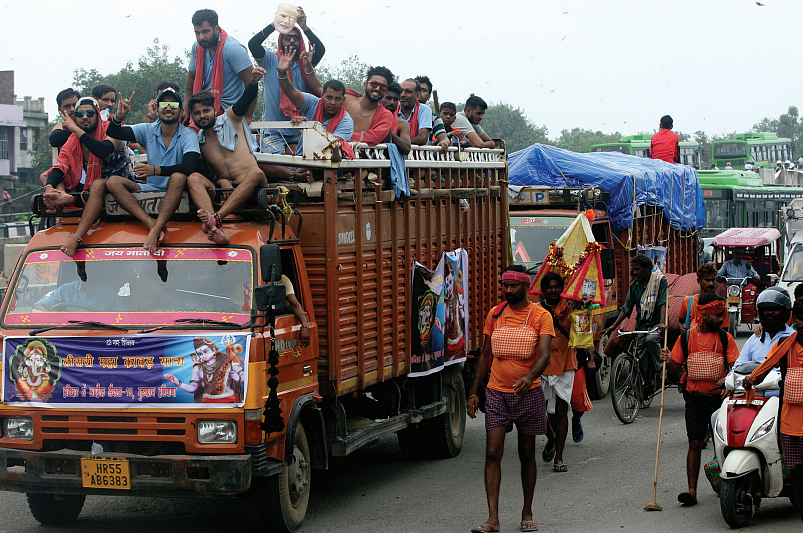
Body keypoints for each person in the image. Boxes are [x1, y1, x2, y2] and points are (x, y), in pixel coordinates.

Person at [467, 265, 553, 533]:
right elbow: (485, 355)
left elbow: (545, 355)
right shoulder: (495, 314)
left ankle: (527, 511)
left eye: (513, 286)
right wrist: (473, 391)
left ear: (526, 287)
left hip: (528, 394)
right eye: (505, 286)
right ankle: (492, 518)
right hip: (496, 393)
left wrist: (529, 378)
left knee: (526, 453)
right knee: (493, 453)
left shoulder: (541, 315)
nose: (508, 290)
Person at [98, 89, 200, 254]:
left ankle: (155, 229)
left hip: (178, 190)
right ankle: (151, 224)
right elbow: (113, 132)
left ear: (181, 111)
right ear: (157, 109)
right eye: (163, 105)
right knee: (113, 182)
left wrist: (154, 170)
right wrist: (119, 117)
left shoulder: (188, 135)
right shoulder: (148, 129)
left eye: (173, 105)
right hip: (151, 188)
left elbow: (189, 166)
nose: (168, 108)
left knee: (178, 177)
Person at [661, 292, 738, 506]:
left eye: (722, 314)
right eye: (717, 315)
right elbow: (675, 368)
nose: (721, 319)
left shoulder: (726, 339)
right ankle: (692, 491)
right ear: (704, 315)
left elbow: (736, 369)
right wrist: (668, 360)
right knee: (694, 443)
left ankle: (727, 486)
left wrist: (729, 387)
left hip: (719, 402)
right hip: (694, 399)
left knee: (723, 445)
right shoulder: (686, 338)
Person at [187, 70, 269, 246]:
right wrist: (221, 180)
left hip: (255, 187)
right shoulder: (198, 141)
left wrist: (253, 83)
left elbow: (245, 101)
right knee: (193, 178)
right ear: (192, 116)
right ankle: (215, 230)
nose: (202, 116)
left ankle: (215, 219)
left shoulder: (230, 119)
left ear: (215, 109)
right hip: (227, 193)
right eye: (197, 113)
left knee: (255, 172)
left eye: (206, 110)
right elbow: (207, 174)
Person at [743, 296, 803, 523]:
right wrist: (749, 380)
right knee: (798, 479)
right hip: (790, 425)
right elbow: (763, 369)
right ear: (794, 319)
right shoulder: (784, 346)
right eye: (801, 319)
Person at [262, 51, 354, 181]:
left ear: (344, 100)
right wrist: (282, 73)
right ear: (322, 96)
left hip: (321, 164)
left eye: (337, 99)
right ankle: (295, 175)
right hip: (300, 161)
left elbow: (328, 148)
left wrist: (309, 127)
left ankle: (292, 174)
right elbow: (290, 91)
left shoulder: (346, 121)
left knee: (329, 157)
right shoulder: (313, 103)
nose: (333, 102)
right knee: (259, 162)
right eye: (329, 97)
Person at [249, 5, 325, 155]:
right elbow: (253, 44)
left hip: (300, 126)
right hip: (273, 129)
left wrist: (304, 27)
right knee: (274, 164)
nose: (291, 40)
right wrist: (275, 25)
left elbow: (320, 50)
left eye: (295, 38)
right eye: (287, 37)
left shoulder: (305, 62)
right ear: (280, 39)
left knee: (303, 164)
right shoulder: (271, 59)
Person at [41, 96, 134, 211]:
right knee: (46, 175)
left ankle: (72, 201)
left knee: (98, 185)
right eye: (80, 114)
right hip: (93, 188)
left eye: (90, 113)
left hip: (119, 186)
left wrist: (76, 129)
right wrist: (49, 187)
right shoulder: (74, 139)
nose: (85, 117)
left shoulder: (110, 129)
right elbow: (61, 165)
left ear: (97, 115)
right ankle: (63, 196)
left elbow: (102, 150)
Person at [603, 254, 667, 392]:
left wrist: (662, 322)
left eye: (638, 269)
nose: (635, 272)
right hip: (641, 326)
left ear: (647, 269)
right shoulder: (635, 285)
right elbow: (627, 307)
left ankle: (661, 371)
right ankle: (643, 389)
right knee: (639, 357)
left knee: (651, 339)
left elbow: (662, 302)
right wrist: (613, 326)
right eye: (634, 269)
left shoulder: (660, 281)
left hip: (656, 323)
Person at [184, 9, 254, 124]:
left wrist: (247, 116)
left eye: (205, 31)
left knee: (192, 133)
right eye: (197, 33)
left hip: (229, 111)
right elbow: (191, 79)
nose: (201, 37)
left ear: (216, 28)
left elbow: (252, 83)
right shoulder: (197, 47)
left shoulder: (233, 49)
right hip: (202, 109)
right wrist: (186, 109)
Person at [537, 272, 577, 472]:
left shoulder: (572, 307)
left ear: (563, 288)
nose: (553, 290)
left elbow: (583, 333)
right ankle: (550, 438)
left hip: (565, 363)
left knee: (561, 411)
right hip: (541, 364)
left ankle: (559, 457)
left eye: (557, 287)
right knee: (538, 409)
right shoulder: (535, 310)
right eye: (549, 287)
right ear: (543, 290)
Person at [164, 337, 244, 403]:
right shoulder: (198, 368)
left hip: (228, 402)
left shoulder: (228, 362)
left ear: (213, 349)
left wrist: (238, 378)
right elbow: (193, 388)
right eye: (200, 354)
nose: (204, 356)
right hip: (207, 404)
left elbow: (246, 377)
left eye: (206, 351)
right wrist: (177, 383)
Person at [343, 66, 395, 145]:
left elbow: (374, 138)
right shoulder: (346, 98)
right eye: (374, 84)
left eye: (382, 87)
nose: (377, 88)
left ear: (386, 92)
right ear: (365, 85)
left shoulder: (385, 115)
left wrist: (338, 136)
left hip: (360, 156)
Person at [679, 262, 730, 332]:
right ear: (699, 281)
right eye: (707, 280)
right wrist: (682, 328)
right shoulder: (688, 301)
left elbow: (724, 330)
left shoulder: (720, 305)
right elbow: (680, 321)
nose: (711, 283)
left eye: (713, 280)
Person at [414, 75, 450, 152]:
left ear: (429, 97)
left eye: (423, 90)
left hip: (422, 157)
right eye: (417, 90)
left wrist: (444, 142)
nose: (420, 93)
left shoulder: (434, 117)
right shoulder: (399, 111)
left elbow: (444, 138)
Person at [397, 78, 432, 147]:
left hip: (417, 156)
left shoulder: (424, 109)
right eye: (401, 91)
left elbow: (422, 139)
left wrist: (395, 141)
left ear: (418, 96)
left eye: (408, 92)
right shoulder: (393, 109)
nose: (402, 94)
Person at [381, 82, 411, 155]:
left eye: (395, 99)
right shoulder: (370, 117)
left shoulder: (402, 123)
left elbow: (406, 149)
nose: (392, 102)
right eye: (388, 98)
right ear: (380, 98)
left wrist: (387, 131)